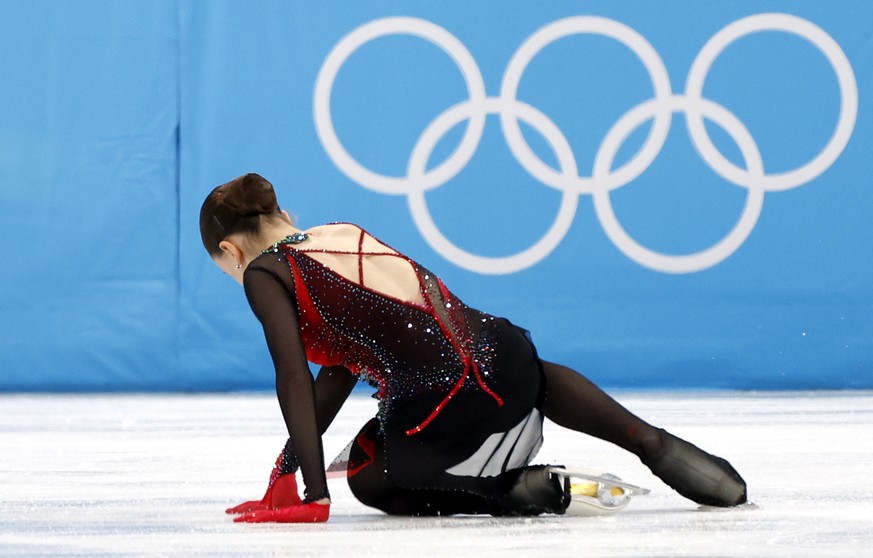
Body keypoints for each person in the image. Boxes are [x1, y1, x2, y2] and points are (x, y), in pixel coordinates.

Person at [200, 173, 747, 523]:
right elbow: (337, 378)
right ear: (287, 216)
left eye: (228, 268)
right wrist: (286, 470)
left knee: (367, 474)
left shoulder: (266, 272)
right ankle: (649, 442)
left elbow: (295, 377)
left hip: (449, 409)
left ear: (230, 250)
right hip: (512, 366)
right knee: (500, 358)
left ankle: (511, 491)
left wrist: (314, 493)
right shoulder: (340, 230)